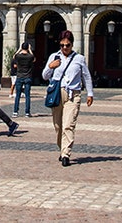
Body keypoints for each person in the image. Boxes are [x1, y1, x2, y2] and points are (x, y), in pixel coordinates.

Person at [42, 30, 94, 167]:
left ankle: (66, 154)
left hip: (73, 94)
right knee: (58, 126)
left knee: (68, 125)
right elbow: (45, 76)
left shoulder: (79, 59)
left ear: (72, 44)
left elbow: (86, 77)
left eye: (67, 45)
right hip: (57, 94)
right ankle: (62, 148)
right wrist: (50, 67)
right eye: (62, 45)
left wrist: (90, 93)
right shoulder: (54, 56)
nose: (65, 48)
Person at [10, 42, 34, 118]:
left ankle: (15, 112)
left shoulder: (18, 56)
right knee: (27, 95)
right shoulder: (30, 56)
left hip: (19, 76)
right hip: (28, 77)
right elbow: (34, 58)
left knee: (18, 95)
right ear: (28, 48)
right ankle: (27, 112)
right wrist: (30, 50)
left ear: (22, 47)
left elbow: (13, 57)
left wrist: (19, 49)